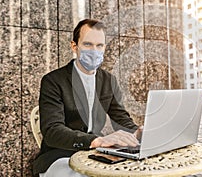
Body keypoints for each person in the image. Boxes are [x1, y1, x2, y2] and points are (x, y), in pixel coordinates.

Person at [33, 19, 142, 176]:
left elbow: (121, 119)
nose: (94, 50)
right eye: (88, 44)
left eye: (99, 45)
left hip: (98, 155)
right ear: (74, 46)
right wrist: (97, 140)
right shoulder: (53, 81)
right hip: (60, 156)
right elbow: (52, 131)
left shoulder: (108, 81)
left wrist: (137, 132)